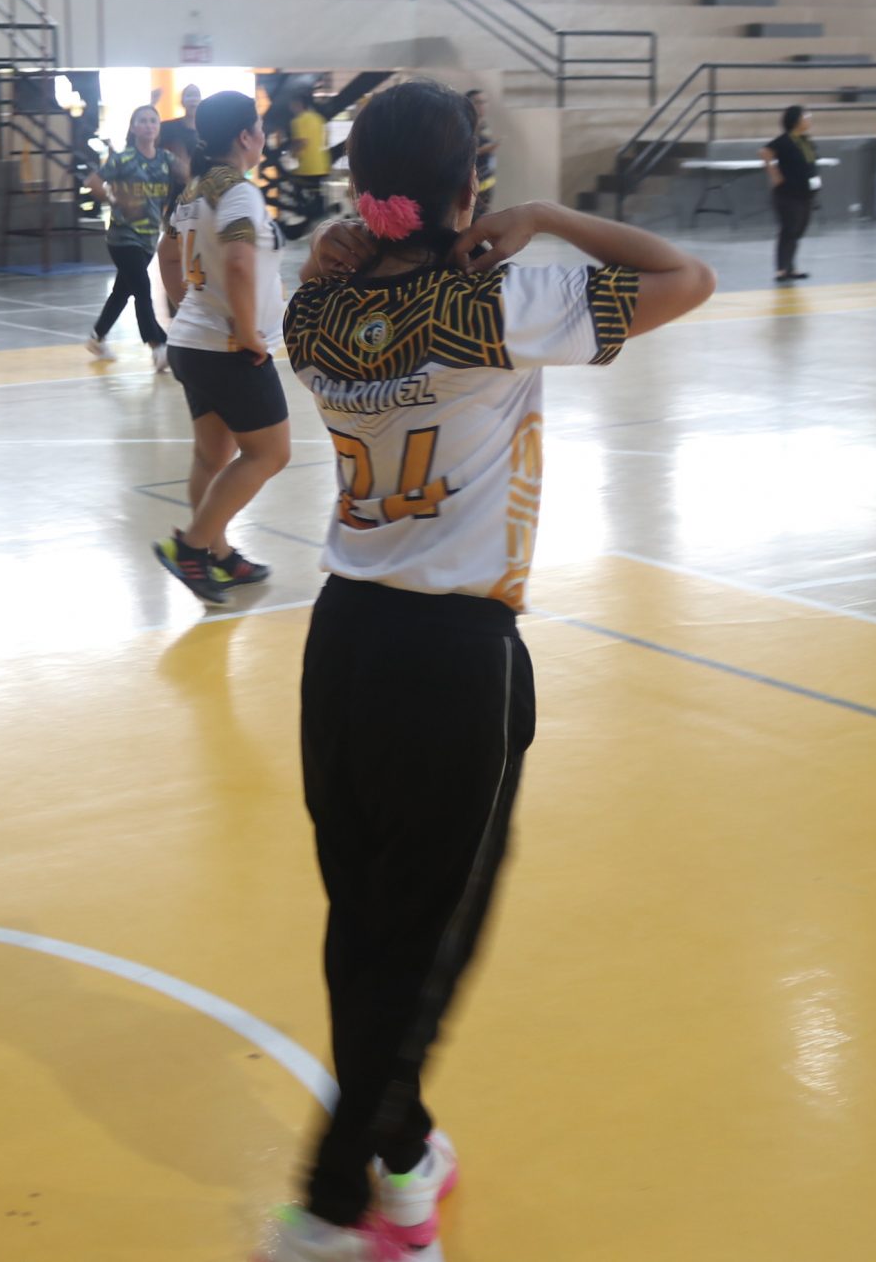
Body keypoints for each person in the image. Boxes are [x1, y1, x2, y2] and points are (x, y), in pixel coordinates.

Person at [258, 79, 713, 1262]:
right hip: (452, 658)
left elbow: (330, 280)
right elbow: (686, 276)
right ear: (471, 185)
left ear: (363, 188)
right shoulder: (498, 300)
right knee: (422, 950)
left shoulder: (316, 311)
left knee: (364, 926)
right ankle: (334, 1206)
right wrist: (546, 216)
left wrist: (338, 245)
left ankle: (403, 1157)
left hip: (341, 642)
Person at [153, 91, 288, 605]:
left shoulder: (191, 193)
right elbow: (237, 262)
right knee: (270, 453)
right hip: (228, 348)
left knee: (212, 457)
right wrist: (247, 331)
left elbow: (167, 257)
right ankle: (191, 548)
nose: (263, 136)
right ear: (245, 136)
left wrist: (188, 308)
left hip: (192, 344)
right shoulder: (238, 192)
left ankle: (219, 554)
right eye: (259, 127)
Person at [84, 103, 174, 370]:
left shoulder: (166, 160)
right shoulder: (122, 159)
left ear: (158, 127)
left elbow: (188, 176)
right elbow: (92, 182)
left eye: (153, 120)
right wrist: (115, 199)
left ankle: (97, 337)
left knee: (122, 291)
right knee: (142, 289)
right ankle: (158, 345)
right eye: (142, 121)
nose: (148, 125)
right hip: (123, 237)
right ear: (133, 128)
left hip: (149, 238)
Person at [761, 103, 817, 282]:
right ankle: (781, 269)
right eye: (805, 117)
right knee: (789, 230)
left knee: (798, 230)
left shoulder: (806, 140)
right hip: (788, 194)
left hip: (805, 193)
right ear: (795, 120)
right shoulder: (785, 140)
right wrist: (774, 174)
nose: (809, 120)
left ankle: (791, 267)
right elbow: (765, 152)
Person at [465, 89, 498, 216]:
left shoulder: (484, 127)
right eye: (478, 102)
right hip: (470, 192)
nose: (482, 106)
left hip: (485, 191)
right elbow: (459, 152)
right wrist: (482, 150)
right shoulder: (464, 127)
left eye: (484, 102)